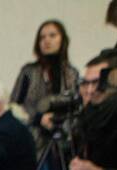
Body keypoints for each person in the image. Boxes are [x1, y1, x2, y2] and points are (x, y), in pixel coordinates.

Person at [11, 20, 79, 160]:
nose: (47, 40)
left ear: (63, 40)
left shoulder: (71, 74)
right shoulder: (29, 72)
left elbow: (76, 105)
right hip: (33, 139)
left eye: (52, 35)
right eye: (42, 37)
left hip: (65, 140)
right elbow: (14, 106)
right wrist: (38, 118)